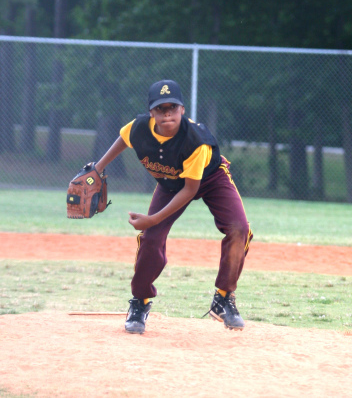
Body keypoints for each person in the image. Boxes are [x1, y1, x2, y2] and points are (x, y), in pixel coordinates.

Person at [95, 79, 253, 334]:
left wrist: (153, 218)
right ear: (151, 113)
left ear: (182, 110)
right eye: (160, 108)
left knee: (239, 228)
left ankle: (223, 297)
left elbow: (190, 190)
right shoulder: (139, 128)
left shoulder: (195, 141)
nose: (167, 113)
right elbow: (123, 139)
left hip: (211, 178)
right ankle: (140, 302)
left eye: (172, 107)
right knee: (151, 238)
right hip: (172, 183)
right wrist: (97, 168)